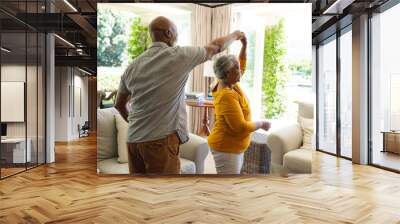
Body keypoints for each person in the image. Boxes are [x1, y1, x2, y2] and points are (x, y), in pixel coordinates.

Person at [114, 16, 245, 174]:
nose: (177, 37)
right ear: (169, 33)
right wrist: (235, 35)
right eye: (176, 32)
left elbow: (119, 104)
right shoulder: (178, 55)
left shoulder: (133, 66)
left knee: (141, 192)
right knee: (166, 193)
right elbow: (215, 47)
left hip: (133, 141)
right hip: (159, 141)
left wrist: (136, 124)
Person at [207, 34, 271, 174]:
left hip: (231, 146)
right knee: (227, 188)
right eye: (237, 69)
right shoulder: (226, 96)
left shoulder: (229, 83)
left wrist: (244, 46)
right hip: (226, 147)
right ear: (228, 73)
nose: (241, 71)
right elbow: (240, 127)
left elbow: (241, 63)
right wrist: (261, 124)